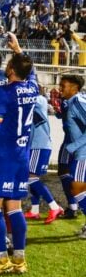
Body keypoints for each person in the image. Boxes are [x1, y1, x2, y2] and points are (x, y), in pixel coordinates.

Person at [0, 33, 38, 276]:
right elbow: (29, 71)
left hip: (1, 155)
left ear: (10, 69)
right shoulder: (32, 87)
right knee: (14, 207)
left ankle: (1, 259)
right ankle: (20, 260)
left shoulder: (4, 92)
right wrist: (18, 48)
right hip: (21, 155)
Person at [24, 86, 63, 223]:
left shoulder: (39, 100)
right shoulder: (35, 101)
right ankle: (35, 211)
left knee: (31, 177)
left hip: (39, 145)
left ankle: (54, 206)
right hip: (38, 145)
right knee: (32, 177)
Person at [60, 75, 86, 238]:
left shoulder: (78, 102)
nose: (60, 88)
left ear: (75, 88)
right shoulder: (70, 103)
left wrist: (72, 146)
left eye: (64, 86)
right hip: (79, 151)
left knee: (76, 187)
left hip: (83, 152)